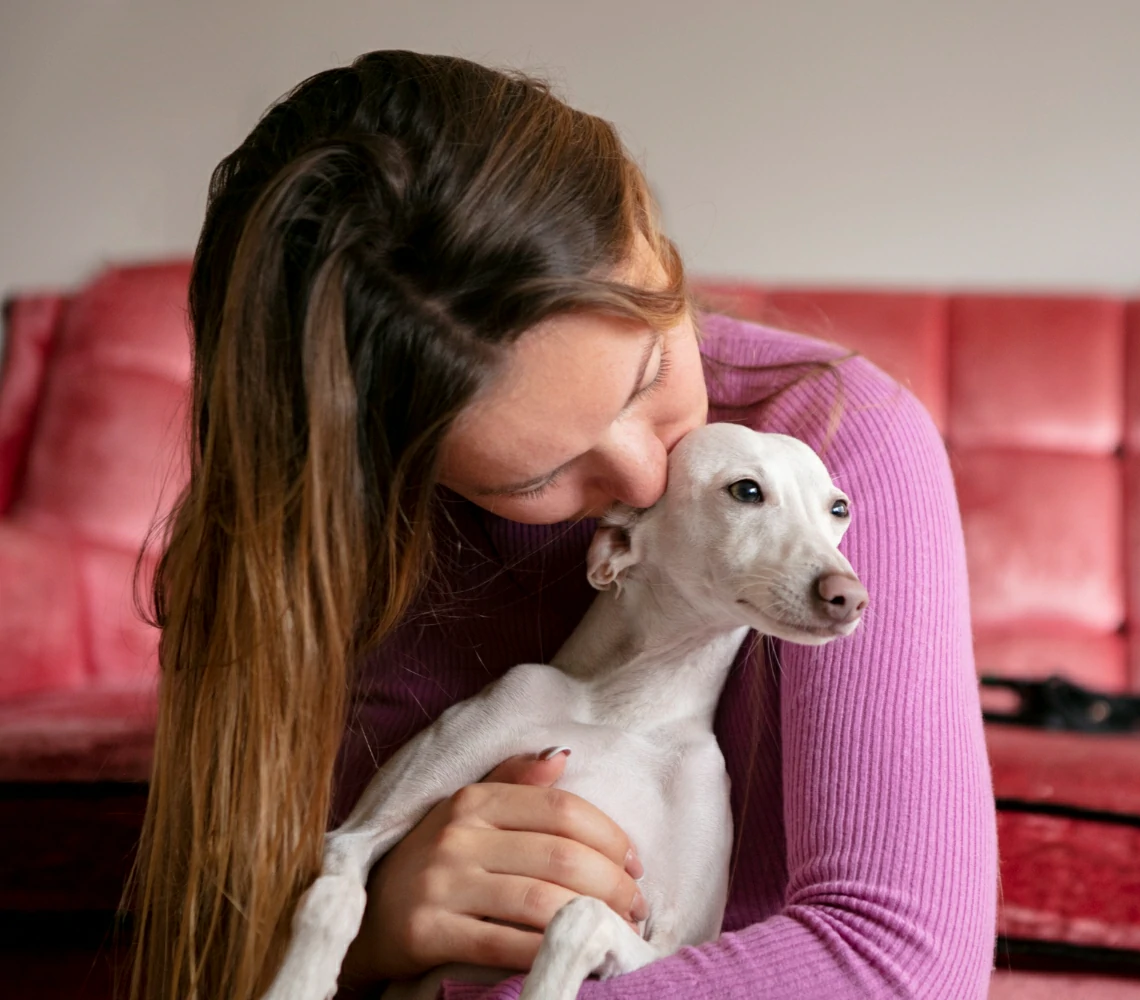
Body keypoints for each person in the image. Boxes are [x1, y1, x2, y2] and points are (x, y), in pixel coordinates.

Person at [128, 49, 995, 1000]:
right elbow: (212, 960)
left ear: (658, 254)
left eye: (650, 377)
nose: (644, 473)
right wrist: (374, 937)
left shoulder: (839, 442)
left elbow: (896, 963)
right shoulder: (307, 551)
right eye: (544, 471)